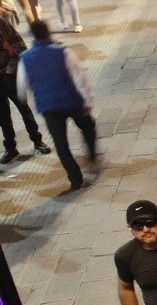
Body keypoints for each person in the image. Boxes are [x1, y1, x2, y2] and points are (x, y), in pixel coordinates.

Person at [18, 20, 96, 193]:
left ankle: (76, 180)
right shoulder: (63, 52)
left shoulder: (25, 58)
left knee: (61, 144)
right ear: (48, 33)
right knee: (88, 127)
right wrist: (87, 101)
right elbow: (79, 78)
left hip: (49, 108)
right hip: (72, 101)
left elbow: (22, 88)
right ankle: (91, 157)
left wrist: (41, 91)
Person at [0, 11, 47, 164]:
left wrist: (10, 69)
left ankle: (37, 141)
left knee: (23, 108)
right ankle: (11, 148)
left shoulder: (1, 23)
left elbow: (19, 44)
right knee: (3, 116)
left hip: (9, 74)